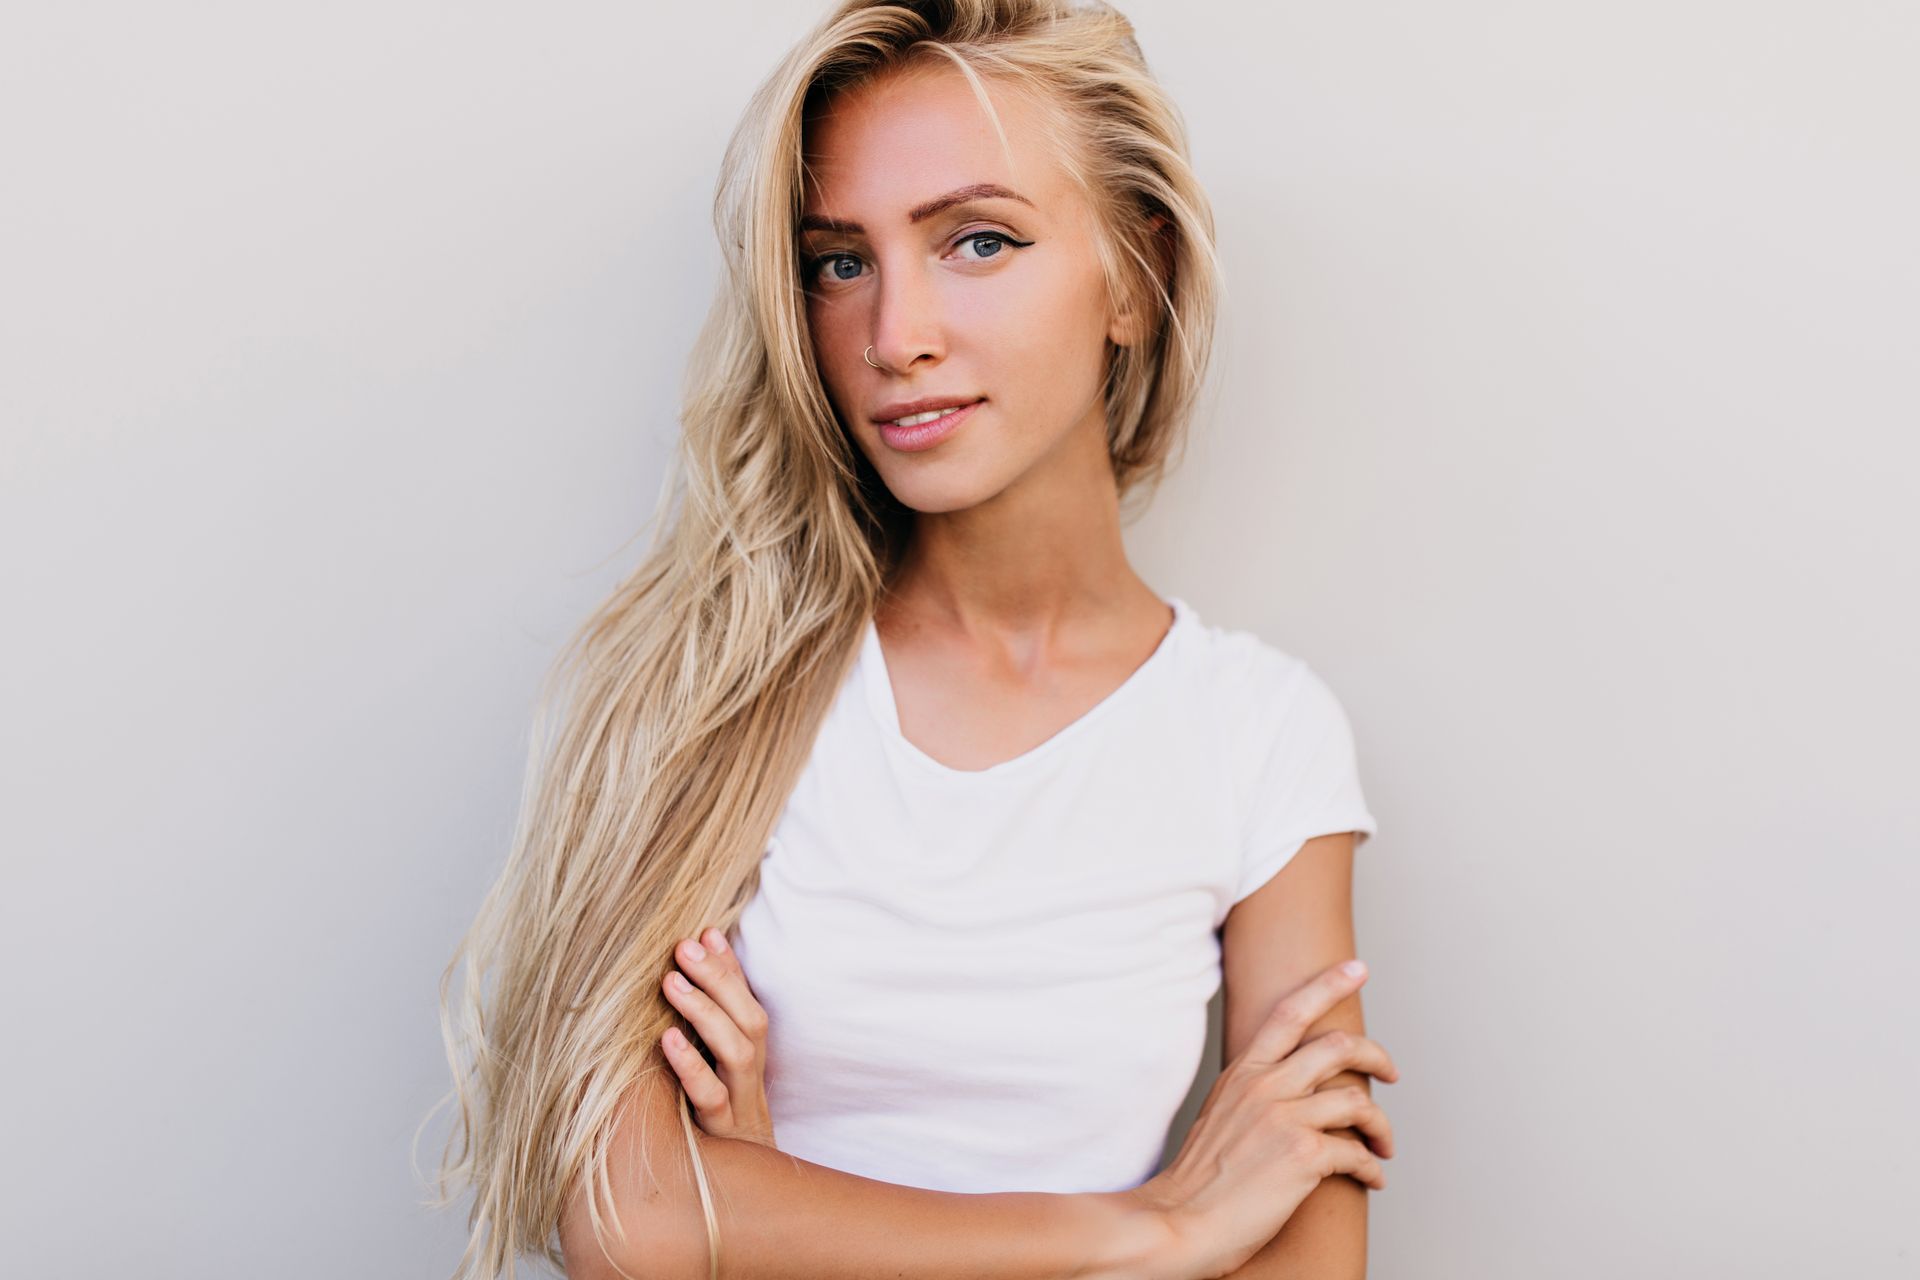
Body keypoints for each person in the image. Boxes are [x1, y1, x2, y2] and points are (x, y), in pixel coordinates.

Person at [427, 2, 1399, 1277]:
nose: (896, 336)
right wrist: (1154, 1228)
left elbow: (1307, 1261)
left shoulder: (1260, 735)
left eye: (977, 241)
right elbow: (624, 1217)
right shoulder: (706, 687)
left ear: (1132, 274)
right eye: (841, 262)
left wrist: (772, 1209)